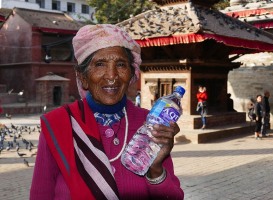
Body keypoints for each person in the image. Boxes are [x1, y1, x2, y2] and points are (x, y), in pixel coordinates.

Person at [30, 24, 184, 200]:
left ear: (131, 75)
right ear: (82, 77)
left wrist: (155, 169)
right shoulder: (59, 124)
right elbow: (40, 194)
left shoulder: (150, 123)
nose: (112, 75)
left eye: (120, 64)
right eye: (100, 64)